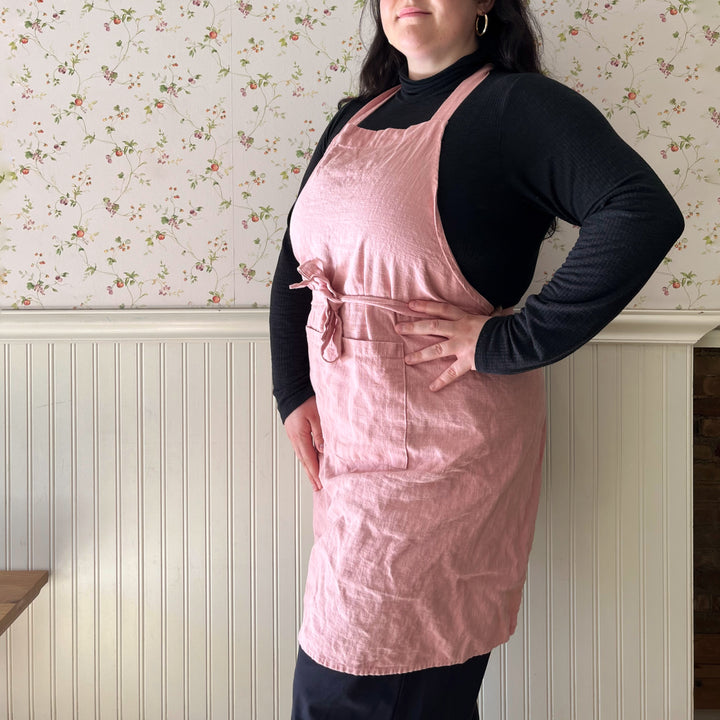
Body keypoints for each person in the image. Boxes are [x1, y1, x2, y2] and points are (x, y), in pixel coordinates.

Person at [269, 0, 685, 717]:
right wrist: (292, 391)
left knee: (361, 687)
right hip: (352, 445)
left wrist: (510, 341)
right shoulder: (353, 119)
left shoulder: (516, 107)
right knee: (377, 686)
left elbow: (640, 211)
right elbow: (294, 262)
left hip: (445, 452)